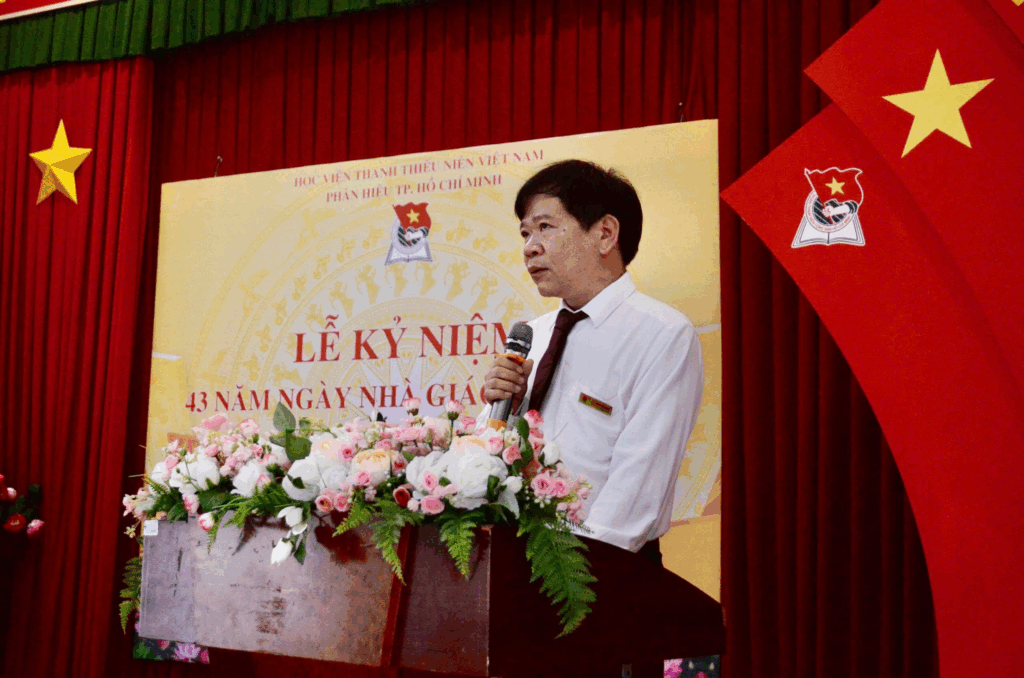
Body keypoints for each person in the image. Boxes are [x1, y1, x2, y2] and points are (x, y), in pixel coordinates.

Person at [477, 159, 704, 563]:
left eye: (545, 227)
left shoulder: (662, 334)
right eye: (525, 233)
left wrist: (572, 566)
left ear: (605, 233)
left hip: (596, 570)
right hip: (510, 561)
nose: (530, 247)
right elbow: (484, 461)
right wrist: (505, 410)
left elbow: (638, 486)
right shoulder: (533, 335)